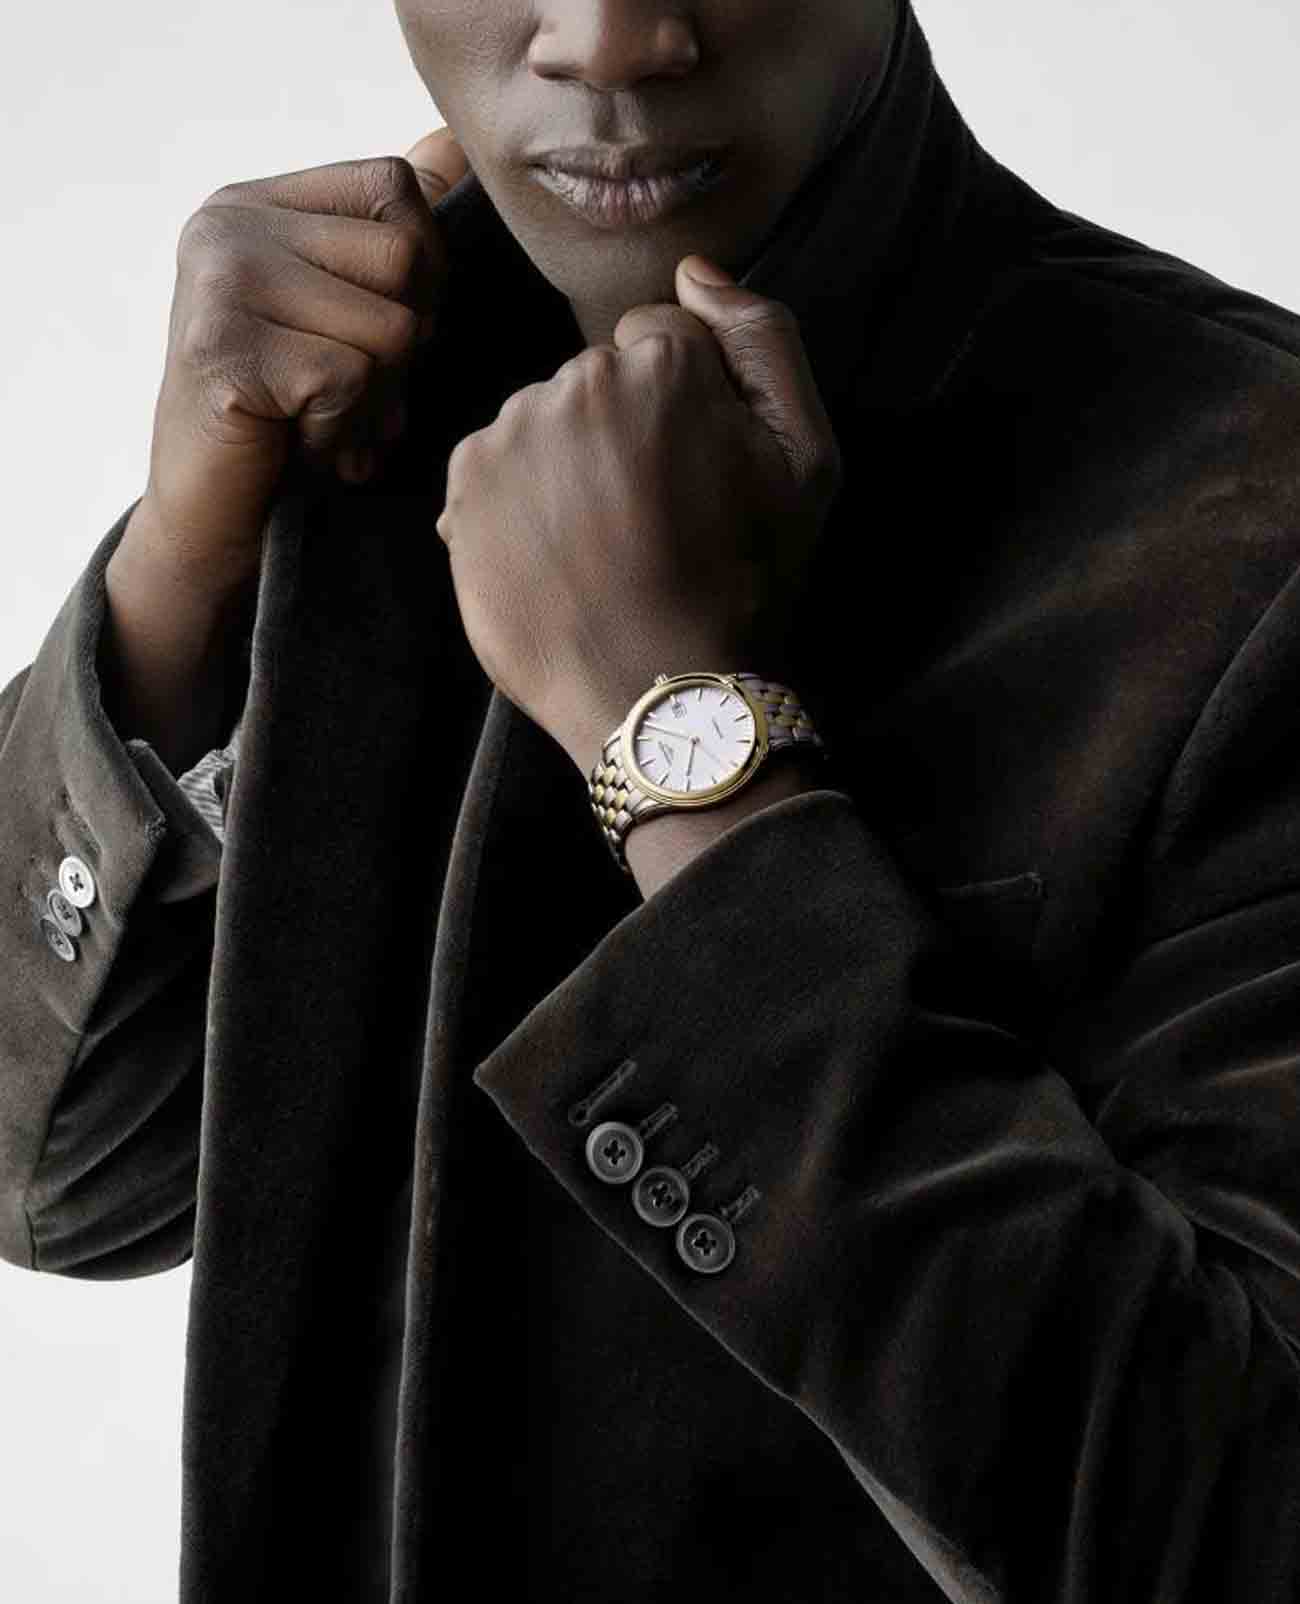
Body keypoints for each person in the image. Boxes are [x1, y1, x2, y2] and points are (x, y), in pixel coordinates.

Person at [2, 0, 1299, 1599]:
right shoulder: (347, 408)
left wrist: (685, 755)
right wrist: (178, 581)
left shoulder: (1252, 526)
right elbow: (50, 1190)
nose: (608, 37)